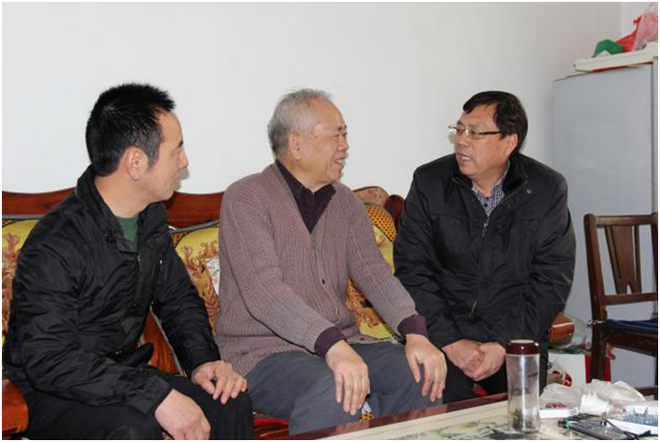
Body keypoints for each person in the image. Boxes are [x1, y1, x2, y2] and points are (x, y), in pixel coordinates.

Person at [3, 83, 253, 439]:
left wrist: (203, 361)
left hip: (122, 374)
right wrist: (153, 395)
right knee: (132, 427)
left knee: (229, 401)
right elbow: (48, 357)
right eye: (177, 150)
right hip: (51, 390)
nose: (185, 161)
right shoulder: (55, 243)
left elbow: (177, 300)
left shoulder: (149, 219)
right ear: (136, 163)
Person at [214, 89, 446, 435]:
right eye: (335, 135)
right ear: (296, 144)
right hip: (262, 354)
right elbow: (264, 292)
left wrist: (414, 332)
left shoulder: (345, 202)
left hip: (340, 344)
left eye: (345, 135)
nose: (344, 146)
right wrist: (331, 344)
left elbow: (376, 275)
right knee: (333, 384)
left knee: (417, 371)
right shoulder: (247, 197)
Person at [393, 91, 575, 403]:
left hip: (516, 335)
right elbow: (412, 269)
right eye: (459, 129)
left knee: (523, 415)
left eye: (475, 133)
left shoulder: (546, 189)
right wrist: (450, 341)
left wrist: (503, 342)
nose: (461, 141)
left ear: (509, 142)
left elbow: (551, 280)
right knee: (447, 412)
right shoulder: (430, 182)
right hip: (443, 334)